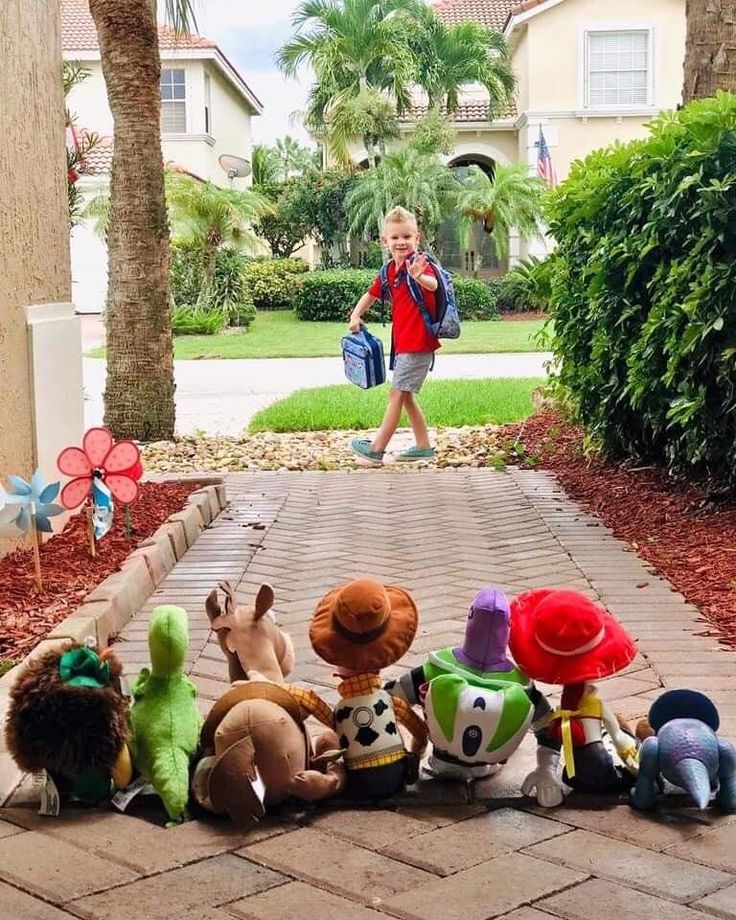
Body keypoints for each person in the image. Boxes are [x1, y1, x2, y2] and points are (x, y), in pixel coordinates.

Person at [348, 206, 439, 465]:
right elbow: (372, 294)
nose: (401, 242)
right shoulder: (389, 270)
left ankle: (376, 449)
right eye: (395, 237)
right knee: (406, 396)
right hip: (403, 344)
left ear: (417, 239)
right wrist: (356, 315)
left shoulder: (419, 264)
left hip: (419, 342)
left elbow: (432, 284)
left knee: (396, 394)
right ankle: (423, 446)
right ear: (385, 241)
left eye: (407, 237)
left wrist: (419, 277)